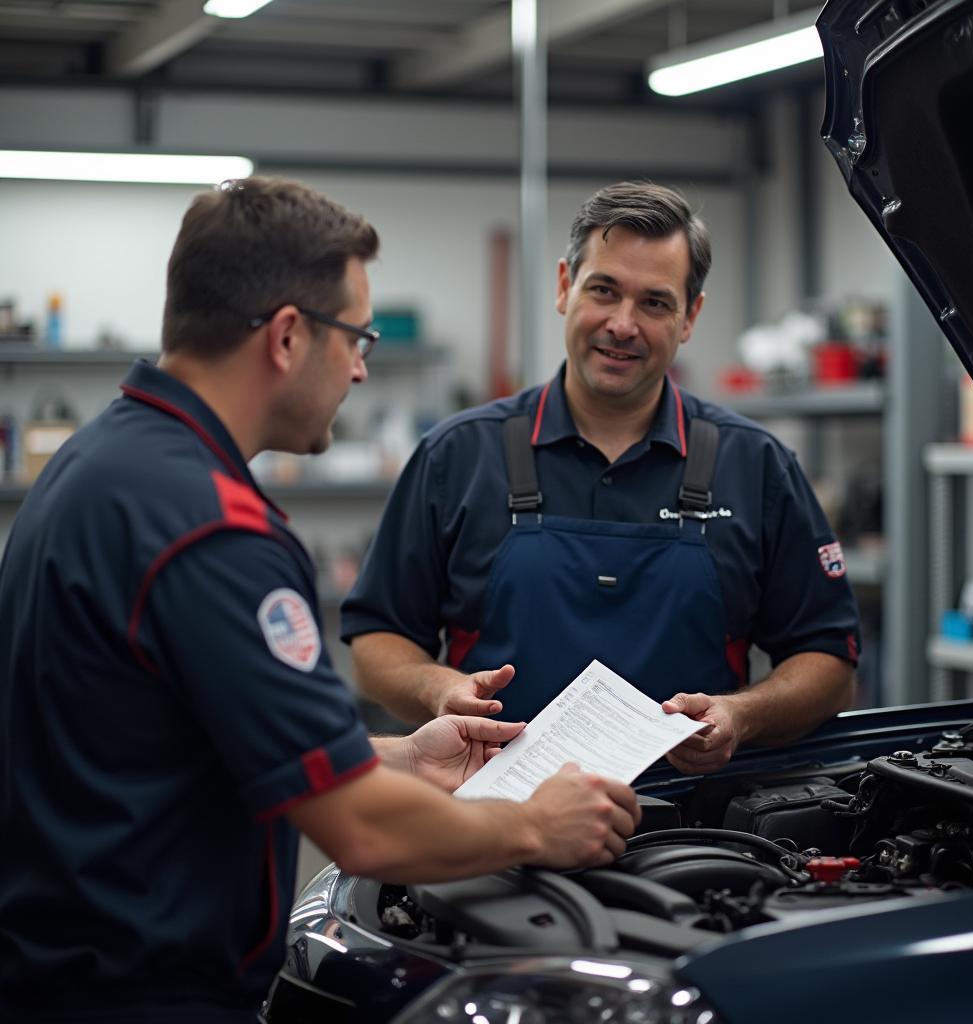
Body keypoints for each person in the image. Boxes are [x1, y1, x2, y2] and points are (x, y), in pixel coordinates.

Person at [0, 177, 640, 1023]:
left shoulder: (101, 464)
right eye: (356, 336)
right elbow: (360, 833)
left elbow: (193, 739)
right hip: (138, 993)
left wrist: (402, 758)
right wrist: (536, 826)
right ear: (289, 336)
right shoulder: (213, 530)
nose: (363, 365)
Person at [342, 180, 860, 776]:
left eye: (654, 303)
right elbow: (376, 642)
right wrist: (439, 689)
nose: (622, 324)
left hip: (699, 834)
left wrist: (741, 715)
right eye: (604, 290)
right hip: (493, 825)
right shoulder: (455, 457)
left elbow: (830, 663)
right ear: (565, 286)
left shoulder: (758, 466)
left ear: (690, 316)